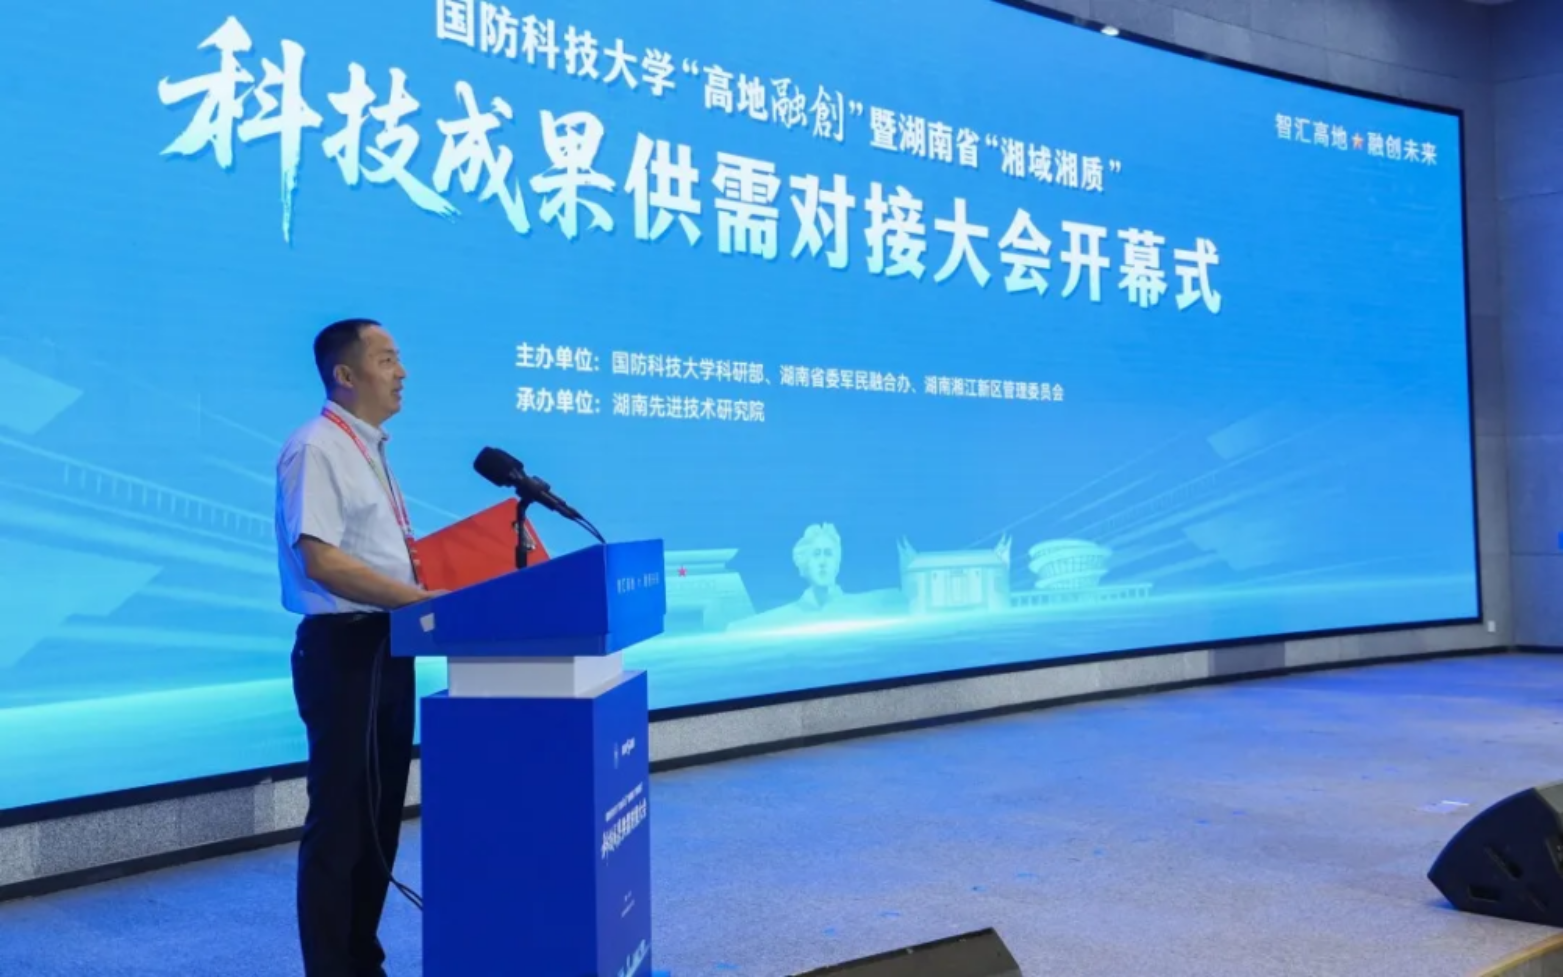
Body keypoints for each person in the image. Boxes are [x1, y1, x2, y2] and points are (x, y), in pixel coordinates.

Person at [274, 318, 441, 977]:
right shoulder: (317, 447)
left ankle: (360, 960)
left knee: (378, 818)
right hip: (343, 650)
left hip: (385, 644)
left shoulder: (368, 449)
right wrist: (417, 599)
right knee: (342, 821)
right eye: (387, 359)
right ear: (345, 375)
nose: (403, 372)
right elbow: (319, 559)